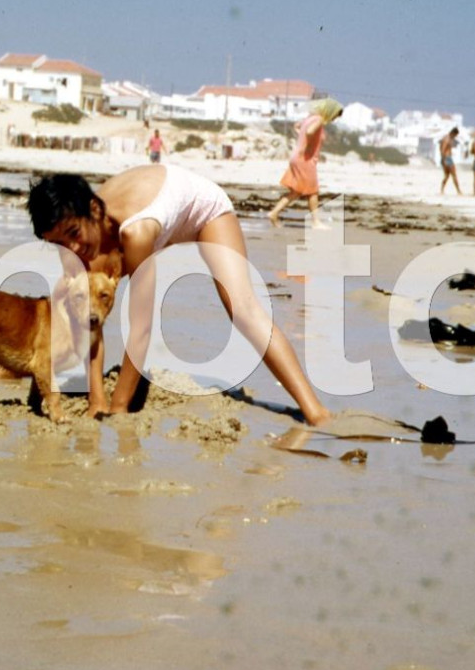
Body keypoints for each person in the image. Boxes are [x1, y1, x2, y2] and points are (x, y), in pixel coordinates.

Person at [27, 165, 332, 425]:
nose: (72, 250)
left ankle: (315, 412)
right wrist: (97, 399)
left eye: (73, 235)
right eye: (59, 244)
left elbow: (142, 328)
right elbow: (90, 321)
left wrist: (119, 407)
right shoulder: (74, 238)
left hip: (203, 211)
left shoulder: (136, 232)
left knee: (243, 310)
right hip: (158, 211)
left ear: (93, 211)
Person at [267, 97, 343, 229]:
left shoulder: (309, 118)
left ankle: (274, 213)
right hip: (305, 160)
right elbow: (309, 132)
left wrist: (304, 140)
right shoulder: (318, 119)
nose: (334, 119)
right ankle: (315, 222)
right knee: (312, 192)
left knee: (296, 191)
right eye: (335, 115)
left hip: (297, 156)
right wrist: (308, 140)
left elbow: (297, 126)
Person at [439, 127, 463, 194]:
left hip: (446, 158)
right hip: (447, 158)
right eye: (455, 135)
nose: (455, 137)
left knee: (447, 175)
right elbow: (443, 150)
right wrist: (444, 160)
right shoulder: (447, 139)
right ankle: (458, 191)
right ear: (453, 133)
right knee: (454, 175)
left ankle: (442, 190)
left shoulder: (446, 138)